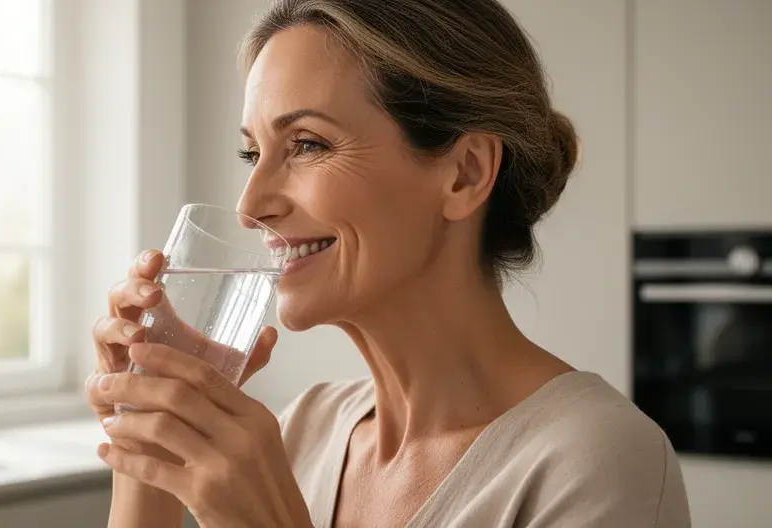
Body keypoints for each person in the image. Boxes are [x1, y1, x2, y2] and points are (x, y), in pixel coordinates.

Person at [86, 0, 691, 526]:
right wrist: (148, 446)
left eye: (307, 145)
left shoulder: (597, 460)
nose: (250, 206)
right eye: (253, 153)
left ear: (466, 173)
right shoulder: (306, 430)